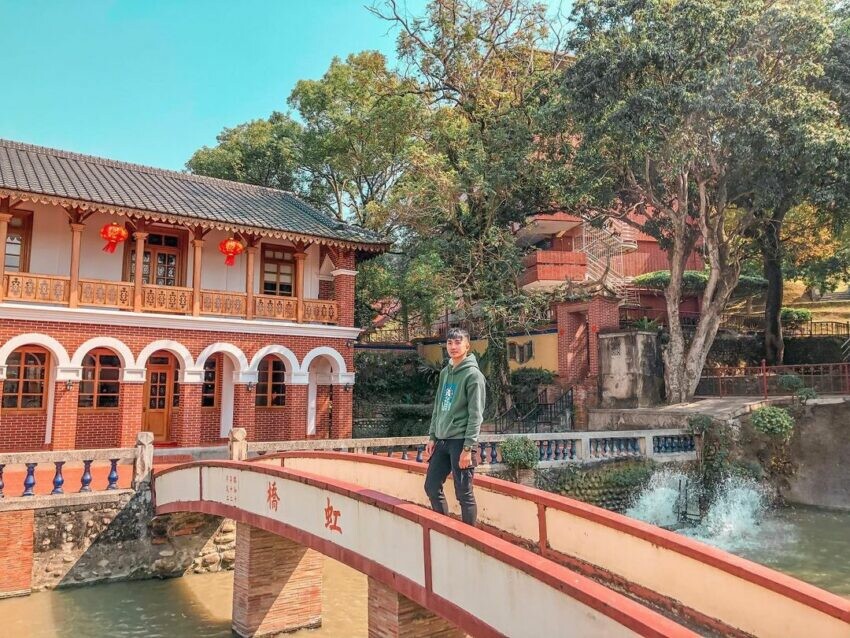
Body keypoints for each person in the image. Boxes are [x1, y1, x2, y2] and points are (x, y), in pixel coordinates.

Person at [424, 327, 486, 526]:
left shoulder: (473, 376)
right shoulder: (445, 373)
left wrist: (469, 448)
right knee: (432, 487)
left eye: (458, 342)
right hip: (442, 440)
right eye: (450, 343)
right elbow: (438, 407)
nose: (453, 347)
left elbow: (476, 415)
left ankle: (469, 539)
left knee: (463, 493)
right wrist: (432, 436)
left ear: (467, 345)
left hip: (460, 441)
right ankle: (444, 528)